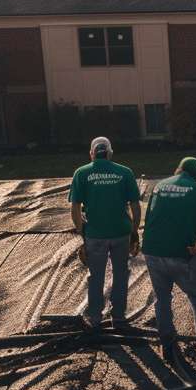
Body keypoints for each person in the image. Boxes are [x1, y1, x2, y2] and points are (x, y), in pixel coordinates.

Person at [142, 156, 196, 361]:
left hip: (153, 251)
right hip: (182, 254)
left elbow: (149, 217)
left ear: (178, 169)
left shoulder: (159, 186)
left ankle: (167, 345)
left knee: (162, 299)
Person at [70, 136, 141, 328]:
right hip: (121, 233)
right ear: (109, 153)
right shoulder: (125, 172)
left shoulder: (81, 173)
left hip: (95, 234)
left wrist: (82, 232)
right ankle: (118, 316)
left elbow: (75, 208)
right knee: (120, 274)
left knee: (96, 276)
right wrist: (134, 231)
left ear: (92, 153)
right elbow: (135, 206)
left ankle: (95, 318)